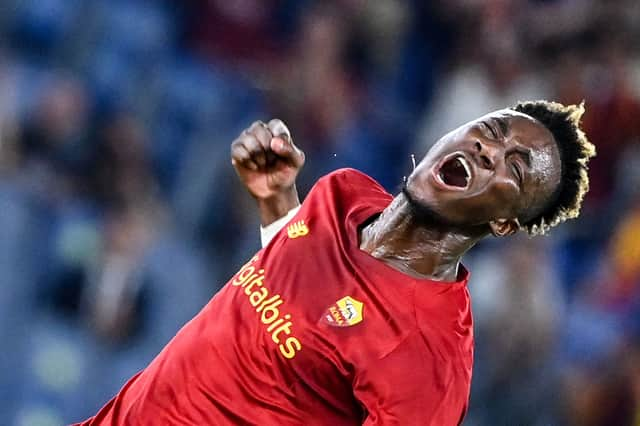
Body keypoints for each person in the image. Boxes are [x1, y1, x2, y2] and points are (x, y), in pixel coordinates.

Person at [76, 100, 595, 425]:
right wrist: (275, 199)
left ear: (505, 223)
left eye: (515, 168)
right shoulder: (341, 193)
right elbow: (296, 288)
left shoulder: (428, 359)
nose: (490, 151)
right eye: (494, 129)